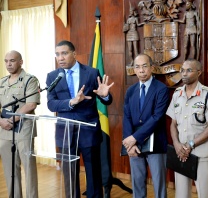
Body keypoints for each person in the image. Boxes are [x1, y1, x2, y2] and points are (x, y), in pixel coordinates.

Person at [46, 40, 114, 198]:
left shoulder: (91, 72)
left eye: (64, 53)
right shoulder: (52, 77)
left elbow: (105, 100)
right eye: (57, 54)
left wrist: (106, 96)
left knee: (93, 176)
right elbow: (51, 104)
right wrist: (71, 102)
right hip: (65, 133)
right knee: (69, 176)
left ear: (74, 54)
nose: (60, 58)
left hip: (88, 132)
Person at [166, 59, 208, 198]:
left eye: (189, 70)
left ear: (199, 73)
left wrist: (191, 145)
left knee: (204, 194)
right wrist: (176, 144)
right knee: (181, 195)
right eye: (182, 70)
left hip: (200, 154)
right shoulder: (177, 94)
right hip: (181, 153)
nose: (184, 74)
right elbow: (173, 124)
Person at [122, 54, 169, 198]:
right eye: (137, 67)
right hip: (134, 145)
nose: (141, 70)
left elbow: (157, 117)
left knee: (159, 183)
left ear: (151, 68)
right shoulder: (130, 90)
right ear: (134, 70)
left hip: (156, 144)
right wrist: (130, 143)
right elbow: (127, 116)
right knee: (137, 182)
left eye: (144, 66)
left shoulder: (161, 88)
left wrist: (134, 138)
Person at [0, 50, 40, 198]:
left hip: (24, 130)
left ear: (20, 61)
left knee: (29, 168)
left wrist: (10, 120)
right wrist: (1, 122)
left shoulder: (30, 80)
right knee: (10, 170)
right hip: (4, 131)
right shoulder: (2, 82)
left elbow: (30, 105)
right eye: (6, 61)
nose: (8, 64)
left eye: (12, 60)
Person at [123, 2, 144, 66]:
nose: (130, 12)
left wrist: (143, 23)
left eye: (131, 11)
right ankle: (132, 61)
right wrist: (125, 26)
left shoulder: (136, 19)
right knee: (130, 50)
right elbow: (126, 27)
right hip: (129, 34)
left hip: (134, 33)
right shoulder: (128, 19)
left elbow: (138, 24)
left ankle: (137, 62)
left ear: (133, 11)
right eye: (129, 11)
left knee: (136, 50)